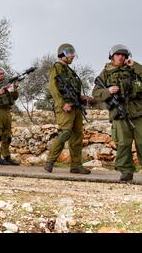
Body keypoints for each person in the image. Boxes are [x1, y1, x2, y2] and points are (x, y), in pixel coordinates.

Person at [92, 44, 142, 182]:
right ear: (112, 56)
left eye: (124, 55)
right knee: (123, 143)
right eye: (118, 54)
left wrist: (135, 65)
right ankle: (126, 171)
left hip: (137, 112)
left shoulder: (134, 70)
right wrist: (108, 91)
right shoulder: (106, 73)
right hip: (119, 113)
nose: (121, 57)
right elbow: (96, 93)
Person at [44, 44, 91, 174]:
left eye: (72, 53)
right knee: (65, 133)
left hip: (76, 106)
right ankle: (50, 161)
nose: (72, 56)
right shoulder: (56, 68)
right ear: (62, 54)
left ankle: (76, 165)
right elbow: (53, 88)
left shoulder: (69, 71)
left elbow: (72, 89)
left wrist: (81, 97)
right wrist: (62, 103)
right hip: (65, 107)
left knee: (77, 137)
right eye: (69, 53)